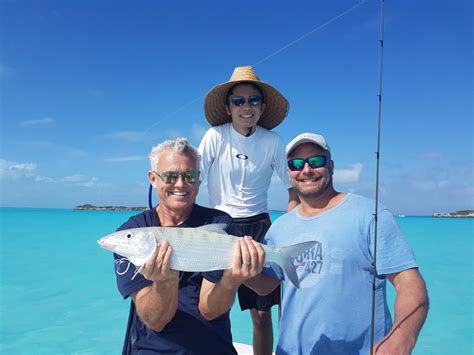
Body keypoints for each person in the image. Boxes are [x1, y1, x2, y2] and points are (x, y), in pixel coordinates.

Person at [245, 132, 429, 354]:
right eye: (296, 164)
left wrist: (402, 337)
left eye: (315, 161)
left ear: (331, 166)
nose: (306, 170)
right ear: (289, 173)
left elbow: (409, 283)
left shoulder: (370, 214)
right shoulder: (279, 227)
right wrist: (236, 269)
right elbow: (268, 285)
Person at [111, 137, 265, 354]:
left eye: (190, 176)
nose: (181, 184)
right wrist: (165, 282)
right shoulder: (132, 234)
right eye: (171, 176)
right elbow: (155, 321)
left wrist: (232, 280)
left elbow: (209, 310)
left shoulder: (219, 223)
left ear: (199, 181)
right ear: (153, 179)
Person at [198, 65, 299, 355]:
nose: (246, 107)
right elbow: (194, 179)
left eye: (253, 100)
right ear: (228, 107)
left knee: (262, 313)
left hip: (259, 227)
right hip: (220, 227)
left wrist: (290, 228)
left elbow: (291, 188)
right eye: (238, 101)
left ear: (263, 106)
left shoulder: (272, 141)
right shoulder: (214, 136)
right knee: (214, 305)